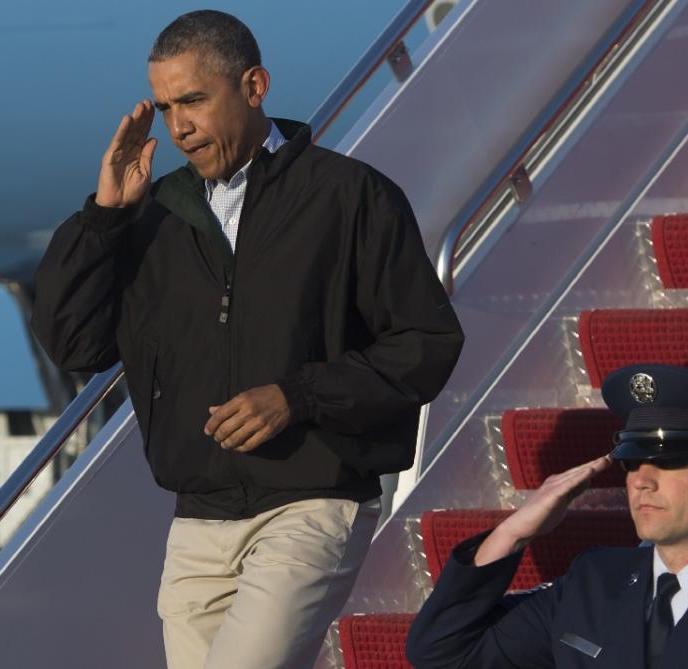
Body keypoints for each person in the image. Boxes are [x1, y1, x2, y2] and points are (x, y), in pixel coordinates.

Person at [31, 10, 463, 669]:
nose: (178, 127)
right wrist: (103, 218)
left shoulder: (349, 198)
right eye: (169, 106)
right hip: (197, 521)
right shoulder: (152, 220)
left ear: (254, 86)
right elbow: (74, 346)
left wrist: (297, 396)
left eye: (195, 101)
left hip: (312, 502)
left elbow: (425, 342)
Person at [406, 364, 688, 668]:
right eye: (632, 462)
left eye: (668, 461)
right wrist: (513, 533)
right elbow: (443, 653)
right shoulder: (592, 583)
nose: (641, 481)